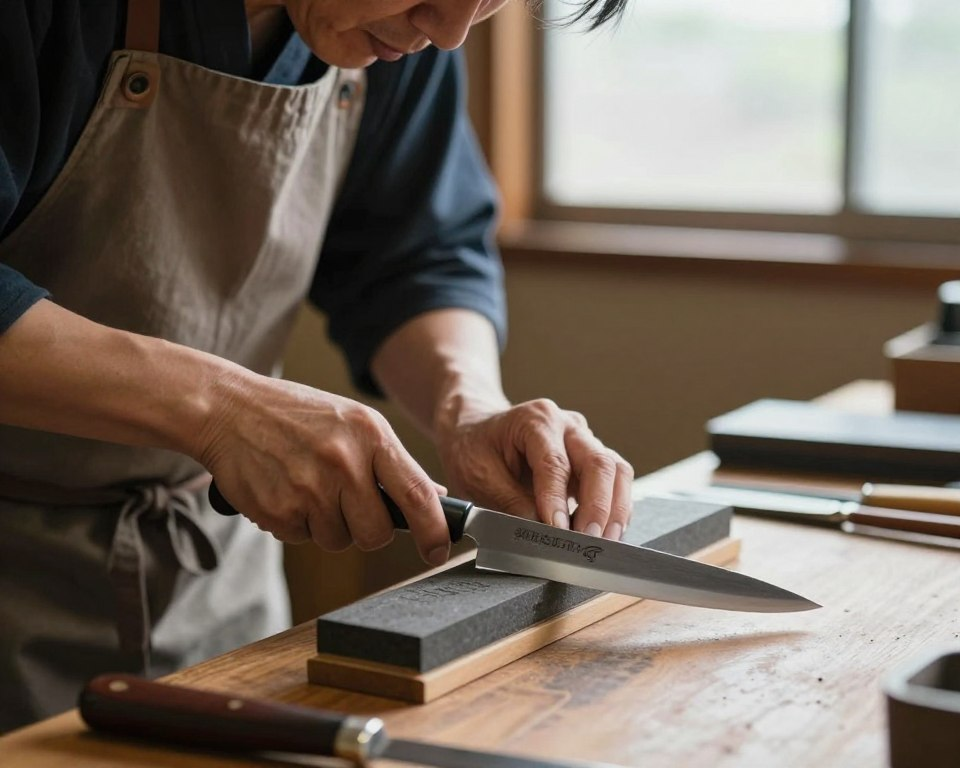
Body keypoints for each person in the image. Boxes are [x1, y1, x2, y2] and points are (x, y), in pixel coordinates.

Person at [0, 0, 633, 732]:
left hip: (215, 589)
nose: (449, 32)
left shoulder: (399, 30)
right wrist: (221, 409)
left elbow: (412, 258)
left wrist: (470, 407)